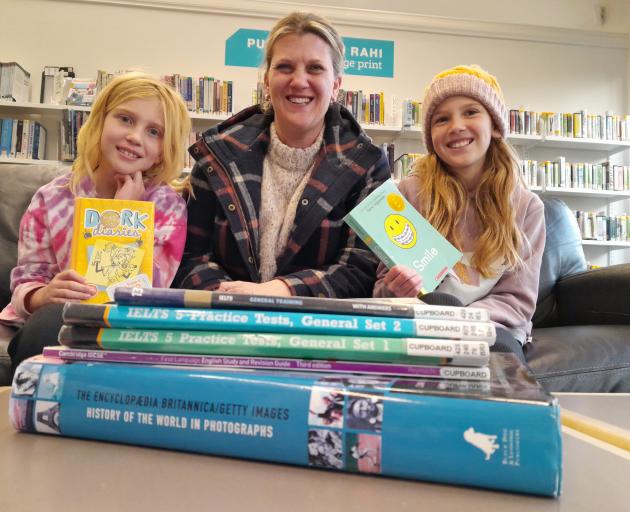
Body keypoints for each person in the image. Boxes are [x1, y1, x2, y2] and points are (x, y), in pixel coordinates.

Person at [173, 12, 391, 298]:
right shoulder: (217, 154)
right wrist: (232, 296)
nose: (299, 81)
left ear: (336, 84)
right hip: (227, 327)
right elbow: (190, 256)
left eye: (315, 68)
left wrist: (282, 290)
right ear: (267, 80)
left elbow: (361, 268)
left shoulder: (367, 163)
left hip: (320, 334)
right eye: (285, 67)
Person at [2, 72, 191, 370]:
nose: (135, 137)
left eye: (154, 131)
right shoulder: (51, 198)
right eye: (126, 119)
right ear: (100, 121)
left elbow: (141, 292)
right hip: (55, 321)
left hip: (129, 324)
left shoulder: (167, 206)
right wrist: (42, 295)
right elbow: (27, 281)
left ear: (161, 154)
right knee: (50, 323)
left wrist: (123, 215)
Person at [373, 65, 546, 364]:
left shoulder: (527, 207)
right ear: (430, 136)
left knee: (491, 355)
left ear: (494, 125)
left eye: (470, 112)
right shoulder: (406, 197)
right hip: (423, 323)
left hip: (491, 329)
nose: (456, 126)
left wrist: (459, 323)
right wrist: (393, 288)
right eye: (442, 119)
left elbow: (516, 301)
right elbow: (381, 289)